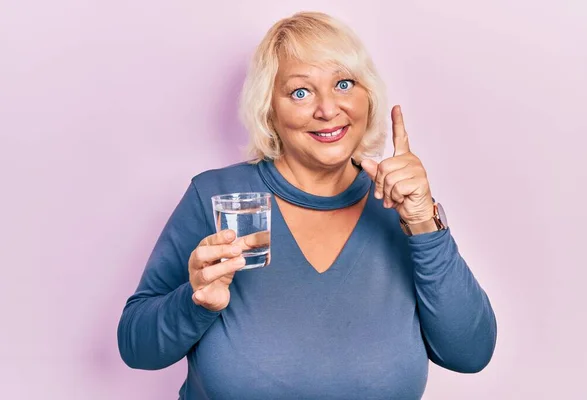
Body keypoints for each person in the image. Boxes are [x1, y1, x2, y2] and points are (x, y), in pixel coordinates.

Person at [117, 11, 497, 400]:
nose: (328, 109)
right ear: (269, 110)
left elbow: (470, 354)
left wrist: (422, 222)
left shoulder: (405, 209)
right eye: (300, 92)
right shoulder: (215, 196)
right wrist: (194, 302)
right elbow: (137, 347)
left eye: (344, 84)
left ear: (369, 96)